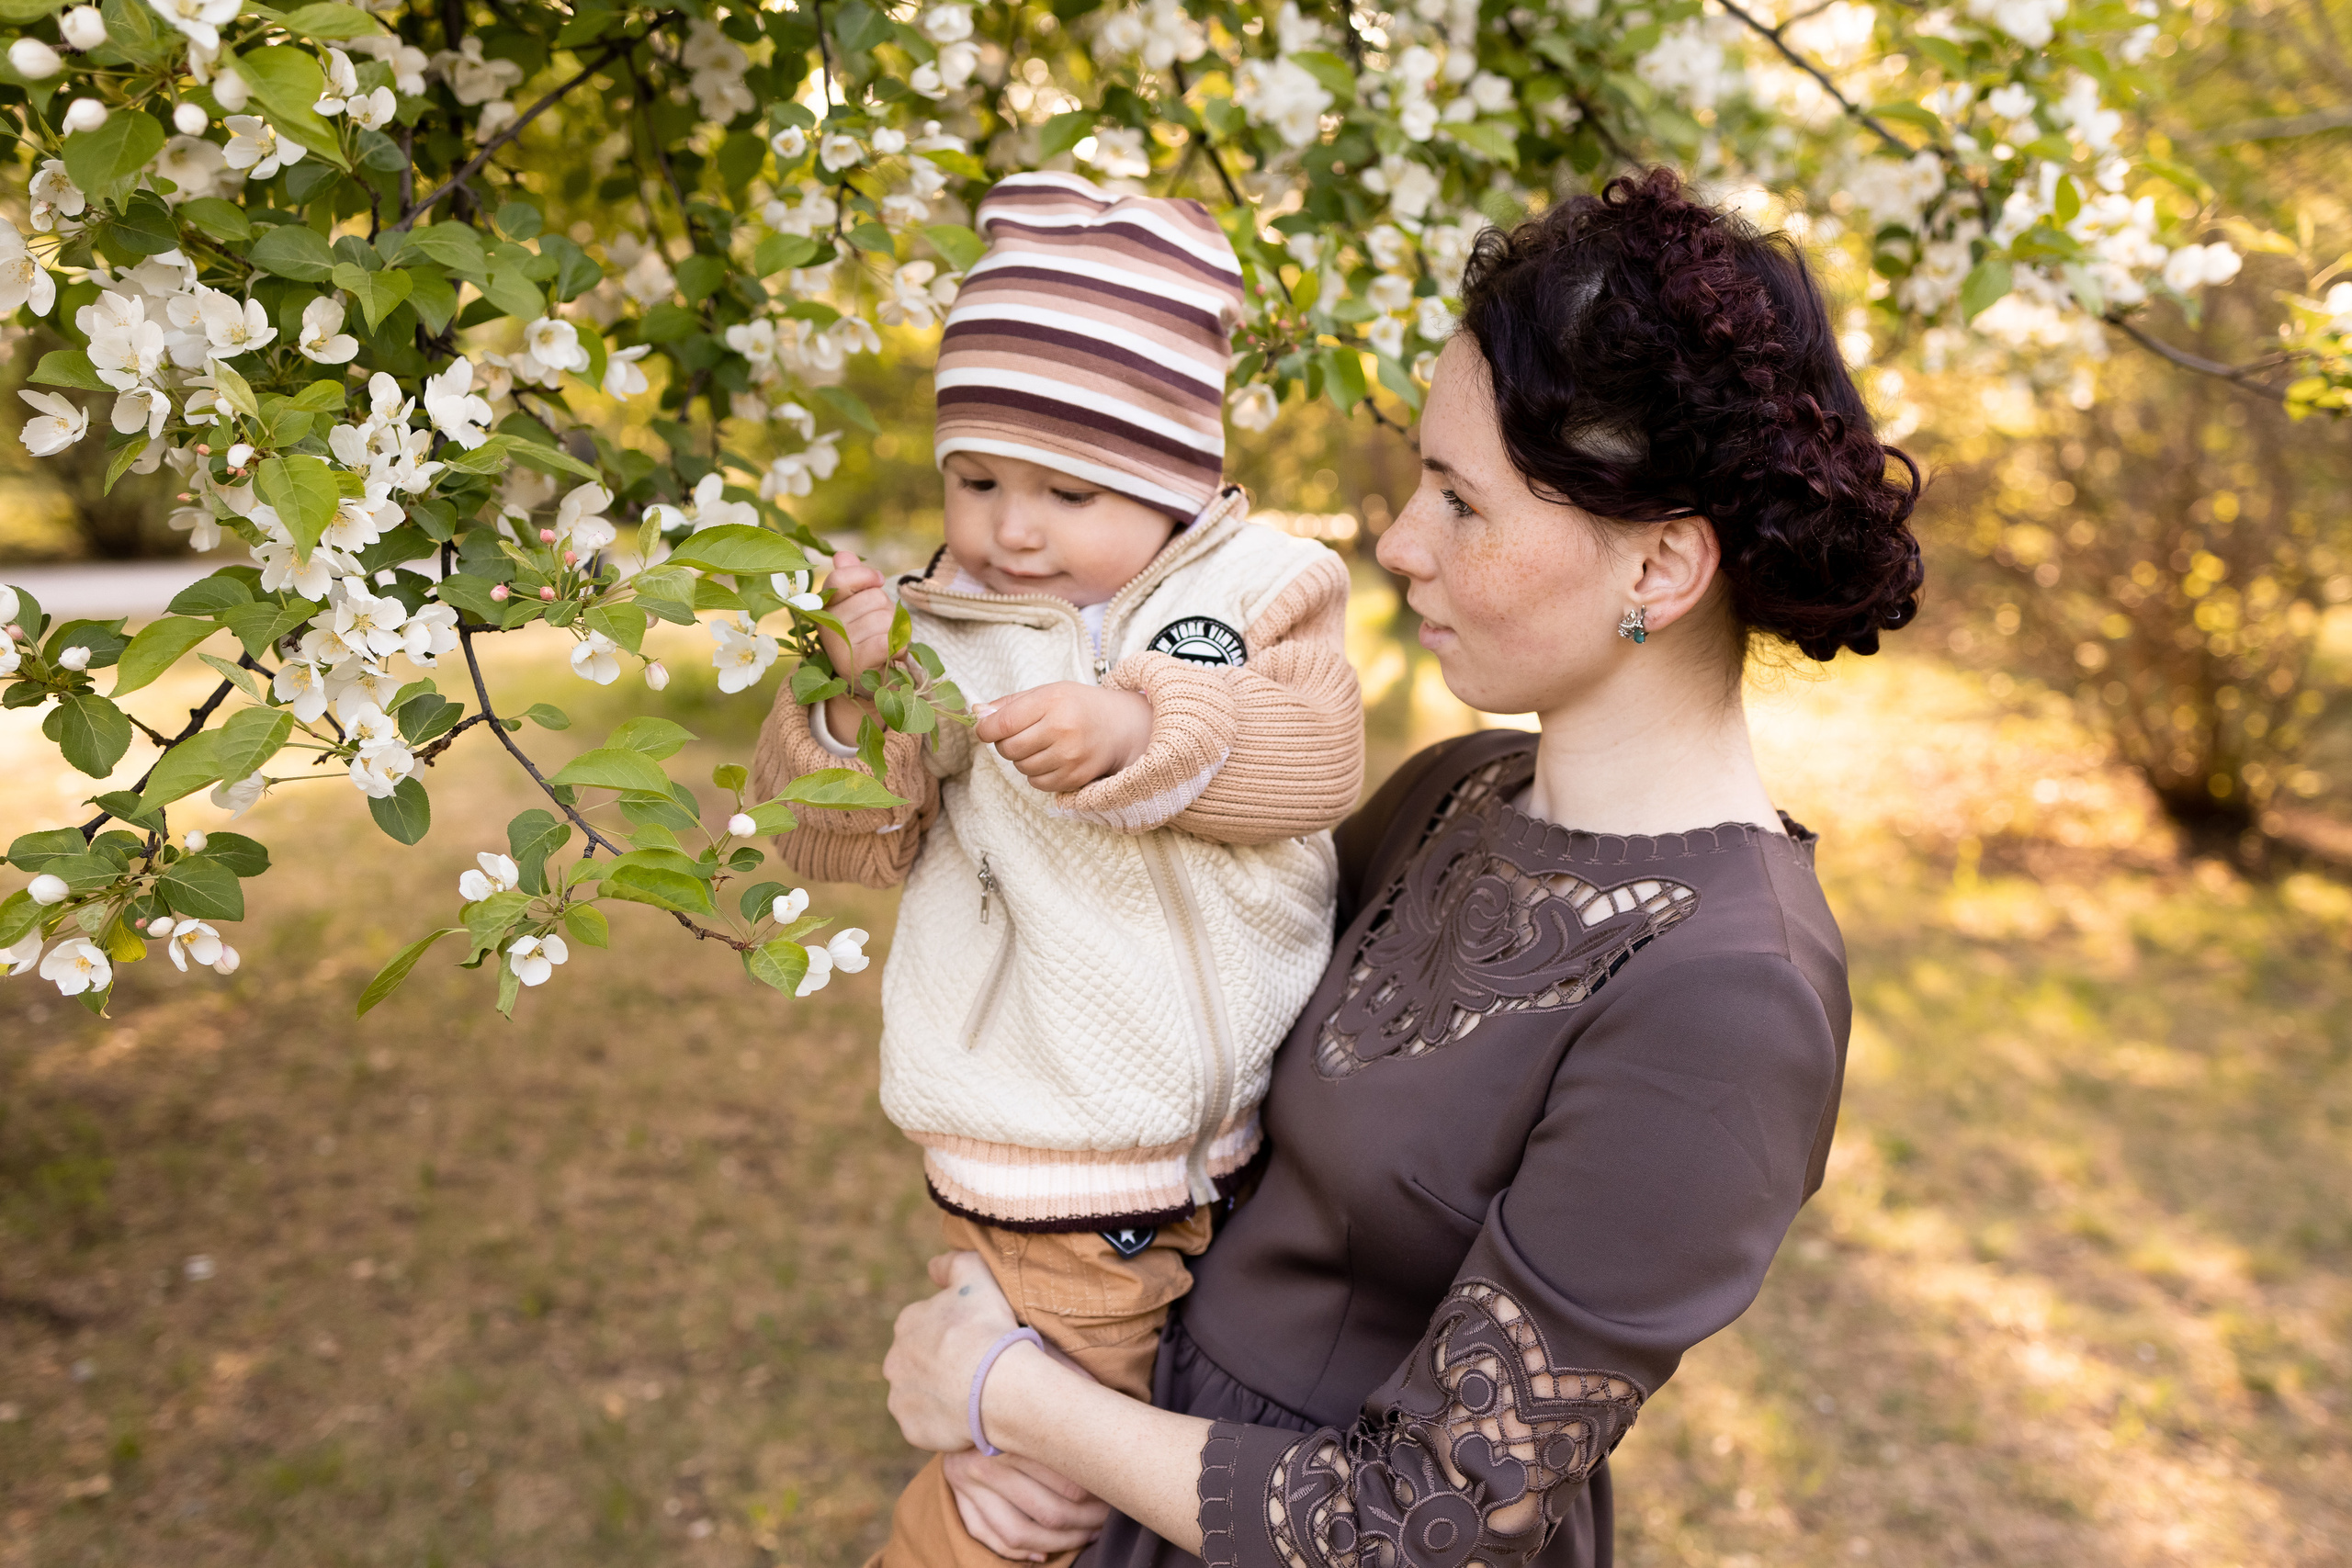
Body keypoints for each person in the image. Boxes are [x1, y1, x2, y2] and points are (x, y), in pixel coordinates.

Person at [876, 167, 1926, 1568]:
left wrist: (1016, 1403)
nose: (1397, 540)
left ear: (1661, 570)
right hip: (1122, 1492)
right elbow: (1143, 1080)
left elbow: (1420, 1525)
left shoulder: (1731, 1001)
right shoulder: (1452, 794)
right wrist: (1006, 1336)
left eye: (1460, 502)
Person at [750, 172, 1366, 1568]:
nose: (1010, 531)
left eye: (1066, 491)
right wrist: (858, 702)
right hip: (1060, 1157)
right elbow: (833, 834)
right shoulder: (944, 632)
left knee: (1142, 1451)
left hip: (1254, 1147)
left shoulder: (1257, 594)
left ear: (1173, 484)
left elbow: (1317, 751)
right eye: (975, 481)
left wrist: (1147, 727)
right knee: (1039, 1488)